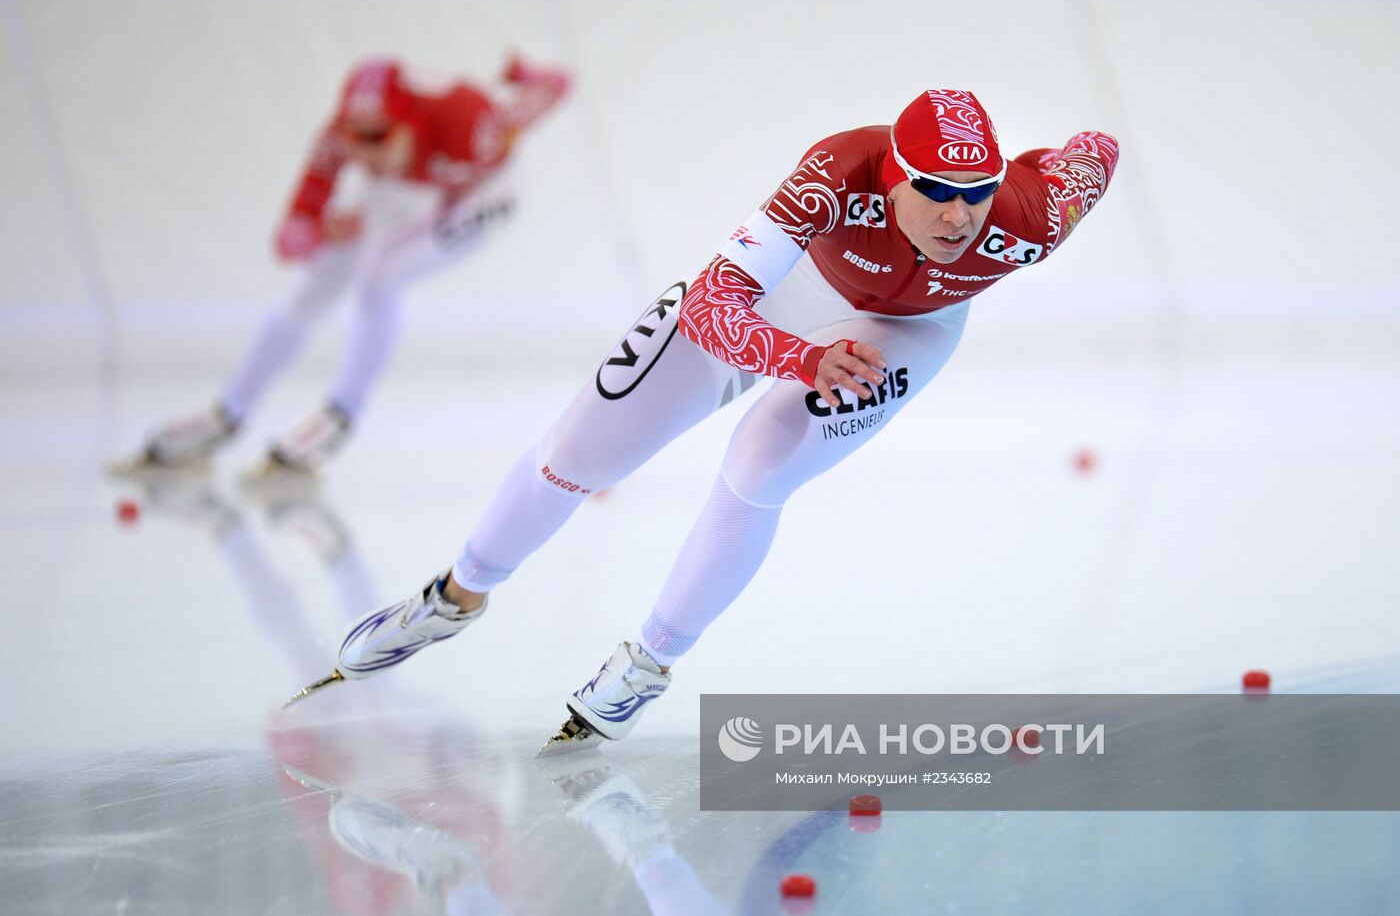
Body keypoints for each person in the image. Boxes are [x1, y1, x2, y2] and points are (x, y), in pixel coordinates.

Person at [290, 89, 1120, 754]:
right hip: (786, 298)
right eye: (932, 192)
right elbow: (716, 302)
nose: (955, 217)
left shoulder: (1033, 217)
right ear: (891, 177)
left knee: (761, 464)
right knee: (578, 453)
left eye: (972, 195)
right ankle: (454, 596)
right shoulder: (834, 172)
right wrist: (798, 356)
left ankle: (648, 663)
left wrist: (1049, 164)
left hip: (905, 330)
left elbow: (1096, 156)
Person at [112, 55, 570, 478]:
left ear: (410, 123)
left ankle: (340, 415)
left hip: (484, 190)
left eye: (376, 137)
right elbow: (296, 227)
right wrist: (307, 228)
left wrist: (533, 78)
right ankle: (229, 412)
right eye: (353, 138)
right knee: (314, 288)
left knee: (382, 278)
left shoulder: (472, 128)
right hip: (416, 175)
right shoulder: (352, 137)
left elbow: (555, 90)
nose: (363, 153)